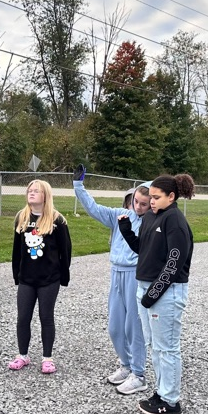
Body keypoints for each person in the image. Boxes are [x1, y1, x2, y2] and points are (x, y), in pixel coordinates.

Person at [118, 174, 195, 414]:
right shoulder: (152, 216)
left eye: (156, 197)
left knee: (168, 348)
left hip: (166, 292)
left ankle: (171, 401)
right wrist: (127, 232)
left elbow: (175, 261)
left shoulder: (175, 221)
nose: (150, 202)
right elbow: (144, 249)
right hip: (147, 288)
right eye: (150, 197)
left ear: (171, 197)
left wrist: (154, 293)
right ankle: (161, 392)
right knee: (154, 346)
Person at [73, 164, 151, 394]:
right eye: (135, 201)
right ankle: (125, 366)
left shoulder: (151, 222)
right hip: (116, 273)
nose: (137, 207)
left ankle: (139, 374)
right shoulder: (120, 216)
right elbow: (94, 208)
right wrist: (78, 185)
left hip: (135, 276)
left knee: (133, 327)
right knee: (115, 327)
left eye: (143, 204)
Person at [10, 179, 72, 374]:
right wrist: (16, 275)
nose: (32, 193)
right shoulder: (22, 217)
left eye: (36, 191)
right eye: (30, 190)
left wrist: (63, 277)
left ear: (45, 195)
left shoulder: (57, 220)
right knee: (23, 318)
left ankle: (47, 358)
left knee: (46, 317)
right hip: (27, 279)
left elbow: (66, 251)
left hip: (49, 280)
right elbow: (16, 251)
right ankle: (23, 355)